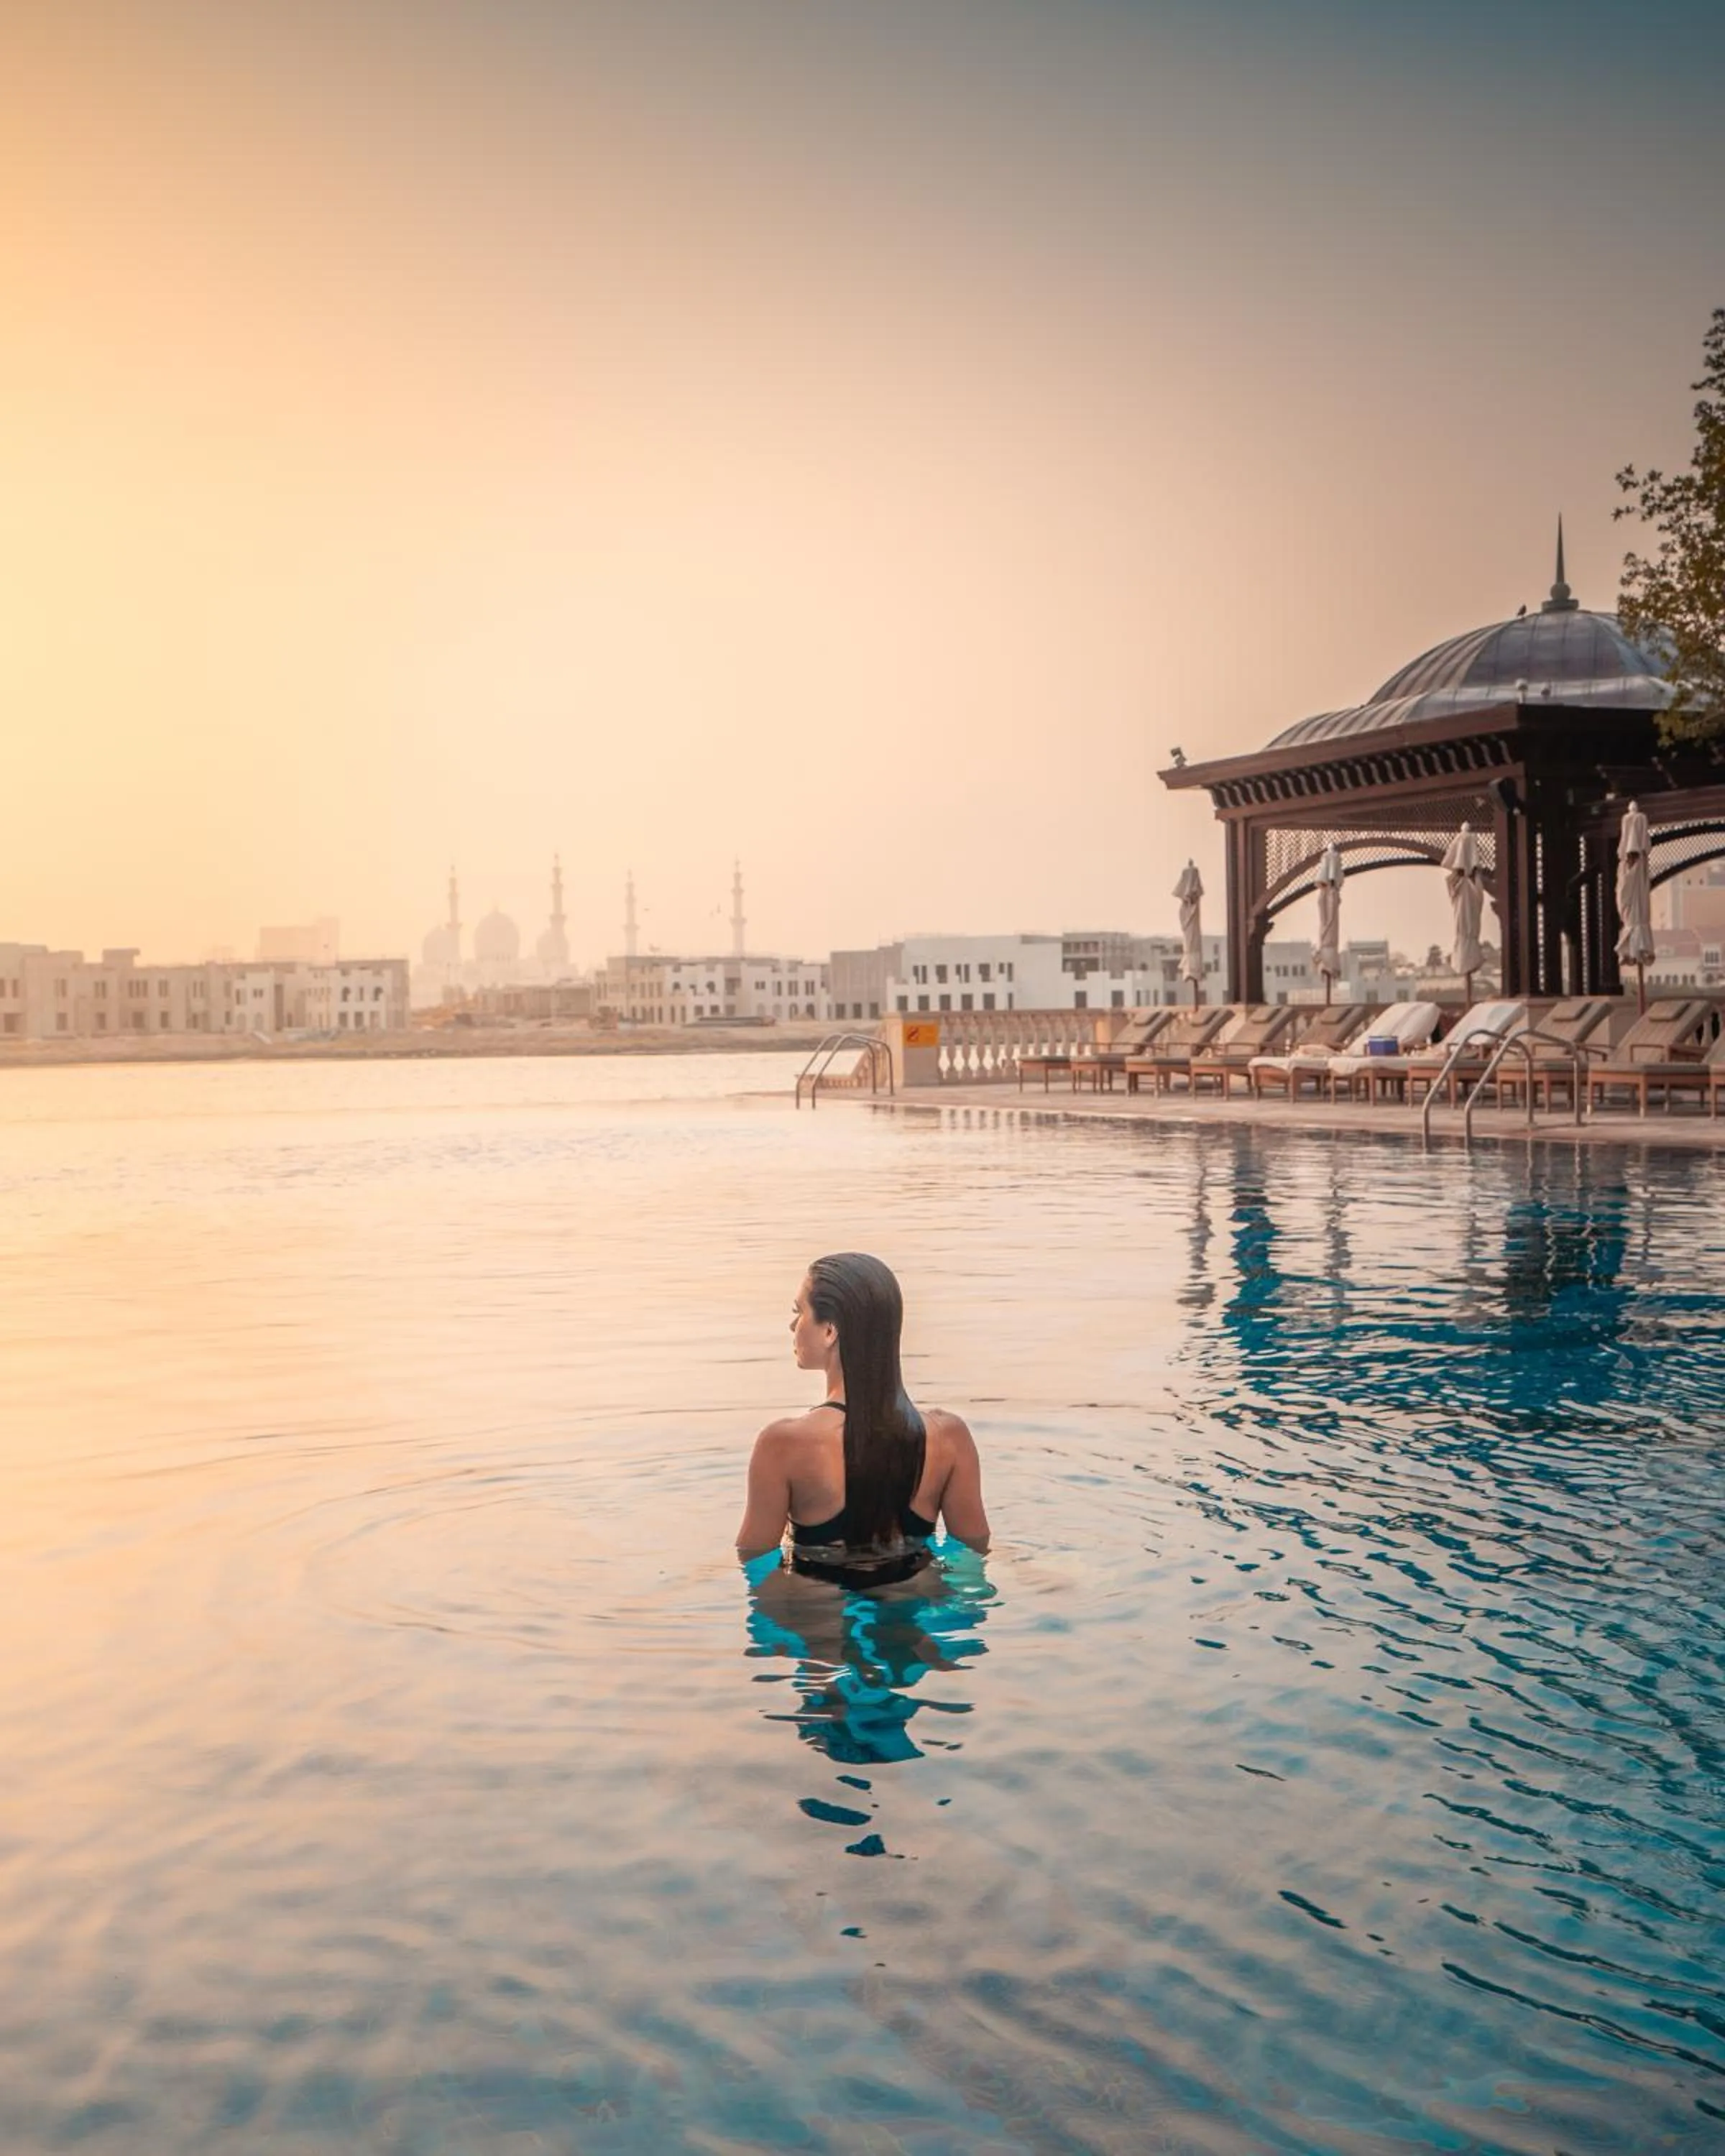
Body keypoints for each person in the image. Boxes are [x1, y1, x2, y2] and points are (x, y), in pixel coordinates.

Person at [735, 1252, 989, 1583]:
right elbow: (974, 1552)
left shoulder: (783, 1444)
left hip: (818, 1620)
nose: (792, 1325)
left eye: (799, 1312)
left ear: (829, 1330)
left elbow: (754, 1563)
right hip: (913, 1613)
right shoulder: (950, 1437)